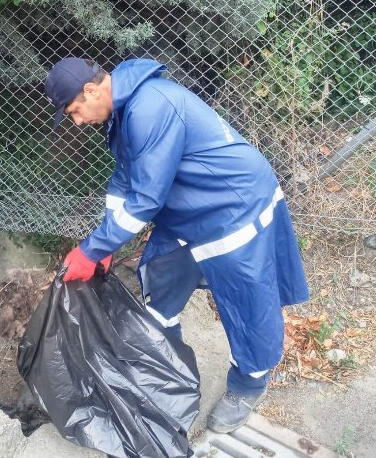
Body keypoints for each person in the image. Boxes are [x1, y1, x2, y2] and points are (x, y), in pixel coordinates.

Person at [46, 57, 310, 433]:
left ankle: (249, 385)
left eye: (75, 111)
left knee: (248, 299)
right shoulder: (121, 113)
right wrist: (103, 244)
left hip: (231, 204)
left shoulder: (151, 107)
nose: (77, 121)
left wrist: (89, 250)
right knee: (161, 277)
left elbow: (147, 198)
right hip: (186, 209)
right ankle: (165, 363)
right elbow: (125, 182)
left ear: (91, 90)